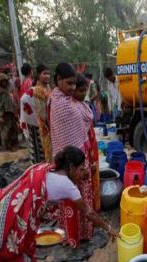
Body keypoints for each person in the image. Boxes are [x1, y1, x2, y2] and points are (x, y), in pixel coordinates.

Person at [48, 63, 98, 244]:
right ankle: (73, 235)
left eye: (74, 84)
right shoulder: (60, 103)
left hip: (77, 156)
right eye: (68, 83)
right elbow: (82, 119)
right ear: (58, 80)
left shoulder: (66, 100)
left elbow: (85, 119)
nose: (72, 88)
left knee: (78, 196)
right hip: (68, 162)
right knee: (72, 197)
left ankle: (83, 231)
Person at [73, 74, 100, 212]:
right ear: (73, 90)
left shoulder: (83, 104)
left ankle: (94, 205)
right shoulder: (72, 107)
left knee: (93, 172)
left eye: (85, 91)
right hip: (82, 146)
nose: (83, 94)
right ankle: (86, 208)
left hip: (91, 142)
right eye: (80, 91)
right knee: (84, 175)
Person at [19, 64, 51, 163]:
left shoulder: (48, 88)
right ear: (38, 75)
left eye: (49, 74)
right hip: (37, 126)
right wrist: (33, 117)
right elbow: (24, 99)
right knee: (39, 152)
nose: (47, 76)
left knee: (47, 151)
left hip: (48, 125)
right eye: (44, 73)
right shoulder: (35, 90)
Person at [0, 73, 19, 151]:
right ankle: (7, 147)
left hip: (10, 113)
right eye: (2, 81)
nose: (4, 83)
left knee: (13, 129)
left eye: (5, 81)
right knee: (6, 131)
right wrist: (0, 116)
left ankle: (14, 145)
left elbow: (12, 101)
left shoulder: (7, 90)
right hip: (4, 114)